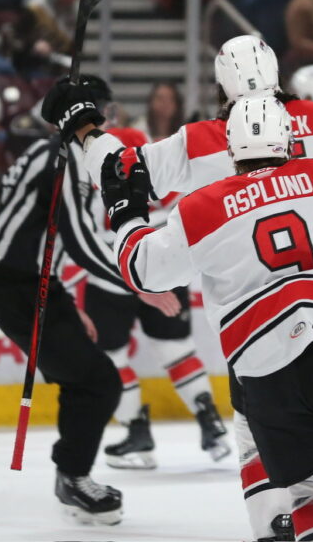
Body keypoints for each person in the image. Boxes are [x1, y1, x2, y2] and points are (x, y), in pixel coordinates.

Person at [47, 87, 313, 542]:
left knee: (311, 496)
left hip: (268, 369)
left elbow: (141, 266)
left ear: (229, 147)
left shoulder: (199, 208)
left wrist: (124, 208)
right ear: (289, 138)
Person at [0, 76, 141, 526]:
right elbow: (84, 244)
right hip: (19, 290)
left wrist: (65, 299)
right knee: (99, 381)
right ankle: (72, 477)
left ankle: (71, 473)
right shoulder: (62, 162)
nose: (108, 121)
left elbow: (36, 233)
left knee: (89, 378)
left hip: (30, 285)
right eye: (102, 112)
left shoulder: (44, 154)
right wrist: (141, 282)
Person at [84, 125, 230, 471]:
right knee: (176, 349)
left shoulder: (92, 183)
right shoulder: (165, 175)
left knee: (110, 356)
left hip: (110, 278)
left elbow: (86, 236)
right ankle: (208, 418)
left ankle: (136, 430)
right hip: (163, 270)